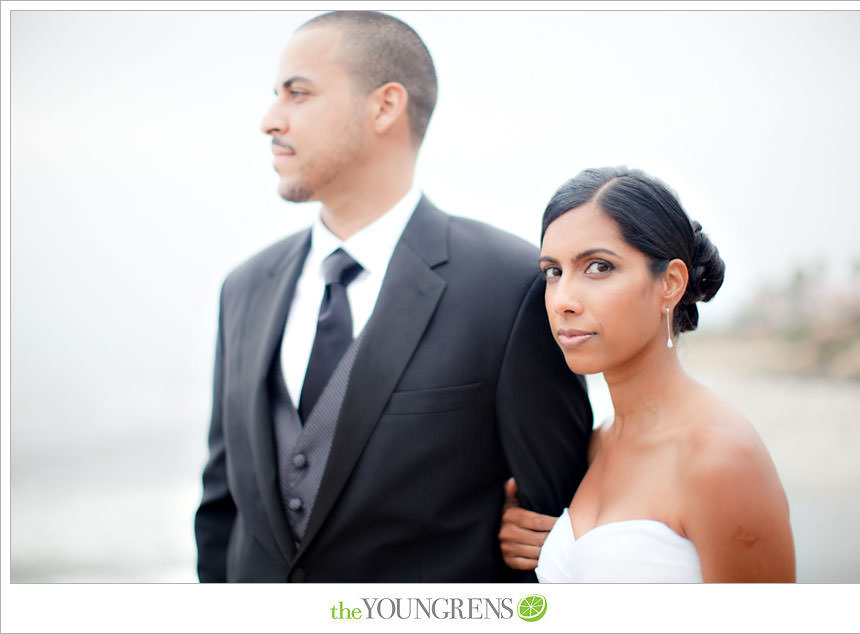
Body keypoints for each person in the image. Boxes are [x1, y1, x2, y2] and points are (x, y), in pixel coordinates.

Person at [193, 10, 592, 582]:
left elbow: (554, 525)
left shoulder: (511, 285)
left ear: (384, 106)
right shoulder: (244, 288)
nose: (269, 120)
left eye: (297, 94)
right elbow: (221, 509)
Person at [499, 167, 796, 582]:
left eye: (599, 266)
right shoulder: (598, 444)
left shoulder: (720, 457)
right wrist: (531, 537)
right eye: (553, 271)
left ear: (670, 283)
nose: (562, 299)